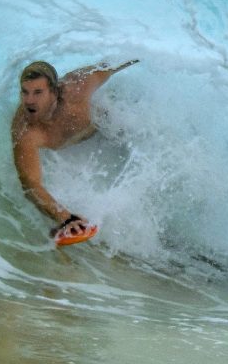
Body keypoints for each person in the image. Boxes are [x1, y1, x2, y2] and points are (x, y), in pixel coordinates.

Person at [11, 58, 138, 242]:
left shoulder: (78, 86)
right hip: (87, 141)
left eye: (38, 92)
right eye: (25, 92)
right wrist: (65, 218)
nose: (29, 101)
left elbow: (111, 65)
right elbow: (31, 184)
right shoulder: (25, 131)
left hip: (111, 127)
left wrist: (142, 55)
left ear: (54, 91)